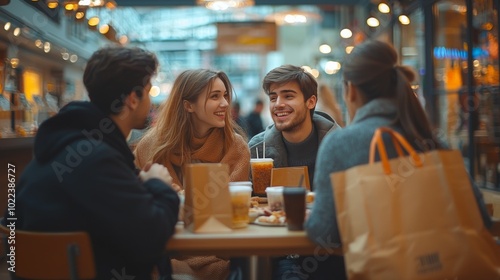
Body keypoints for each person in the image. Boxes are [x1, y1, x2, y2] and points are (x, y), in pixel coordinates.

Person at [305, 40, 492, 278]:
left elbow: (325, 234)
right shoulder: (430, 140)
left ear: (351, 90)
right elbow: (480, 218)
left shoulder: (341, 144)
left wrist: (308, 217)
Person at [2, 46, 180, 279]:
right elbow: (152, 236)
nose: (151, 101)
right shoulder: (96, 158)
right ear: (133, 99)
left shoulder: (61, 146)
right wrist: (158, 184)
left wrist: (140, 185)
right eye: (148, 91)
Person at [134, 68, 250, 279]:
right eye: (215, 96)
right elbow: (145, 212)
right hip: (166, 255)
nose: (225, 103)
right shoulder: (149, 148)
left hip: (222, 256)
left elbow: (229, 211)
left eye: (225, 95)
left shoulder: (236, 147)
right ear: (188, 105)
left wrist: (177, 199)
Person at [248, 64, 341, 280]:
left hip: (334, 248)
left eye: (288, 96)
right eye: (273, 98)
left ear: (311, 101)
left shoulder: (338, 144)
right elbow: (250, 208)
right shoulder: (257, 149)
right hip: (283, 251)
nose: (278, 104)